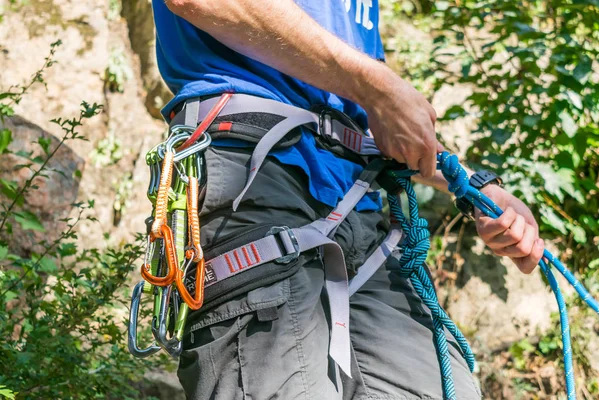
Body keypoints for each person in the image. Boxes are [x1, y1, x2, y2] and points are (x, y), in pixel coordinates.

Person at [151, 1, 545, 398]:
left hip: (359, 203)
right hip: (256, 174)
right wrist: (378, 86)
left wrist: (476, 189)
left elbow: (362, 110)